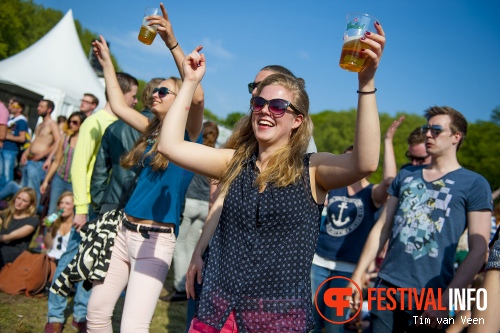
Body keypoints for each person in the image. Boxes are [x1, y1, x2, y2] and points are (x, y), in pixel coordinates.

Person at [158, 21, 385, 332]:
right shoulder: (235, 162)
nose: (265, 110)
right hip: (218, 308)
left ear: (297, 120)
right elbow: (169, 145)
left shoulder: (312, 169)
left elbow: (365, 163)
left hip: (277, 318)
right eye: (259, 103)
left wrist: (366, 82)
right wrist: (189, 81)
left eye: (278, 106)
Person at [86, 4, 204, 331]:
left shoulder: (187, 134)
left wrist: (171, 41)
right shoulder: (152, 129)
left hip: (156, 241)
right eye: (154, 91)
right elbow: (118, 104)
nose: (154, 94)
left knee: (132, 327)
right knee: (96, 313)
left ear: (178, 96)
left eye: (164, 91)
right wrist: (107, 62)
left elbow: (195, 97)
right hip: (124, 231)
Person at [348, 106, 493, 332]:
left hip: (432, 296)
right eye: (427, 128)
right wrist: (358, 275)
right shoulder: (406, 174)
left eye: (436, 130)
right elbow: (382, 227)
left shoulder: (474, 184)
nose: (427, 134)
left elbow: (478, 250)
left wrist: (446, 301)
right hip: (386, 286)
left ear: (456, 137)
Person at [45, 77, 138, 333]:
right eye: (132, 95)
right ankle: (54, 316)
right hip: (86, 207)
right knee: (70, 259)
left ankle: (80, 315)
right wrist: (82, 208)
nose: (135, 101)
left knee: (95, 263)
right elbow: (80, 165)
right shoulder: (94, 122)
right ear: (118, 93)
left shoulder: (126, 125)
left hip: (105, 208)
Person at [311, 116, 403, 333]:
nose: (347, 165)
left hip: (348, 269)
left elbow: (391, 183)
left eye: (354, 160)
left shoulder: (372, 193)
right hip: (318, 262)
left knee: (334, 327)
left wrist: (388, 141)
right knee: (310, 323)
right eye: (345, 160)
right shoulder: (332, 186)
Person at [165, 120, 219, 303]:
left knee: (180, 245)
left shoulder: (195, 152)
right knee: (191, 246)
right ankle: (189, 281)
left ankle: (181, 286)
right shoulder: (216, 155)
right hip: (205, 206)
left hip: (190, 202)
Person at [90, 78, 161, 216]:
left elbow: (100, 171)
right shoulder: (166, 134)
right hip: (144, 210)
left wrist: (100, 205)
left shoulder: (115, 126)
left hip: (111, 202)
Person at [248, 65, 317, 154]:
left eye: (277, 106)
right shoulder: (243, 132)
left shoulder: (304, 150)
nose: (254, 91)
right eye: (253, 86)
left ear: (297, 120)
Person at [40, 112, 86, 217]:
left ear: (82, 124)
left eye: (75, 122)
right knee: (53, 210)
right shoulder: (65, 138)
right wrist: (46, 181)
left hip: (74, 183)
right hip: (59, 179)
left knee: (68, 213)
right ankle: (49, 232)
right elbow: (57, 161)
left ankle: (61, 233)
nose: (71, 124)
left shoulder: (85, 141)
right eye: (70, 121)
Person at [20, 99, 61, 212]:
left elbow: (58, 141)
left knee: (33, 191)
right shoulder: (40, 124)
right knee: (23, 189)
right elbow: (35, 140)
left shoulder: (52, 124)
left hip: (39, 162)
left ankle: (32, 214)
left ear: (49, 110)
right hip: (30, 160)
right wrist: (26, 152)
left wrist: (47, 157)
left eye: (41, 106)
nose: (38, 108)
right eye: (38, 106)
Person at [0, 187, 38, 269]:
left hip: (14, 256)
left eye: (24, 201)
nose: (19, 202)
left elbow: (10, 236)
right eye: (18, 198)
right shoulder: (6, 214)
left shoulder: (33, 221)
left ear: (31, 204)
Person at [1, 97, 28, 188]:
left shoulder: (21, 121)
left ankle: (7, 194)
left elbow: (22, 138)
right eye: (10, 104)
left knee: (7, 173)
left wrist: (6, 136)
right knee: (2, 173)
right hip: (4, 148)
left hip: (11, 150)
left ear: (20, 109)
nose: (10, 106)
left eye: (13, 105)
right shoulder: (10, 118)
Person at [44, 191, 74, 261]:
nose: (63, 206)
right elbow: (47, 246)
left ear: (74, 206)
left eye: (67, 203)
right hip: (51, 259)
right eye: (61, 203)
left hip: (66, 261)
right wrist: (49, 230)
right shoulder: (56, 222)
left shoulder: (76, 226)